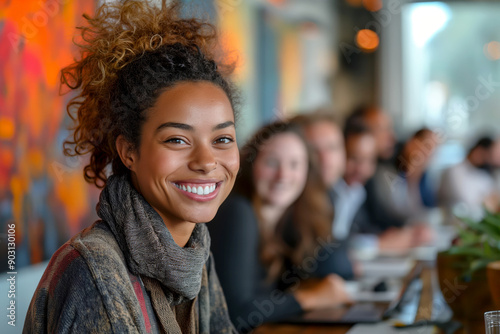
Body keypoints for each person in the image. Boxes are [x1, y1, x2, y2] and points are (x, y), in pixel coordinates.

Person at [24, 1, 240, 333]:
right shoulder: (95, 273)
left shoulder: (195, 249)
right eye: (177, 140)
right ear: (129, 152)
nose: (207, 162)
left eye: (222, 139)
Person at [208, 121, 351, 333]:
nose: (283, 175)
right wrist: (313, 297)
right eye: (272, 162)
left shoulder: (289, 220)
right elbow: (234, 314)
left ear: (307, 172)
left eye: (294, 164)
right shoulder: (237, 212)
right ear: (250, 164)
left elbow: (339, 267)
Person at [439, 136, 500, 220]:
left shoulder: (484, 175)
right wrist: (486, 201)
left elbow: (494, 199)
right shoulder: (454, 171)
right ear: (477, 150)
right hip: (450, 221)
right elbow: (465, 200)